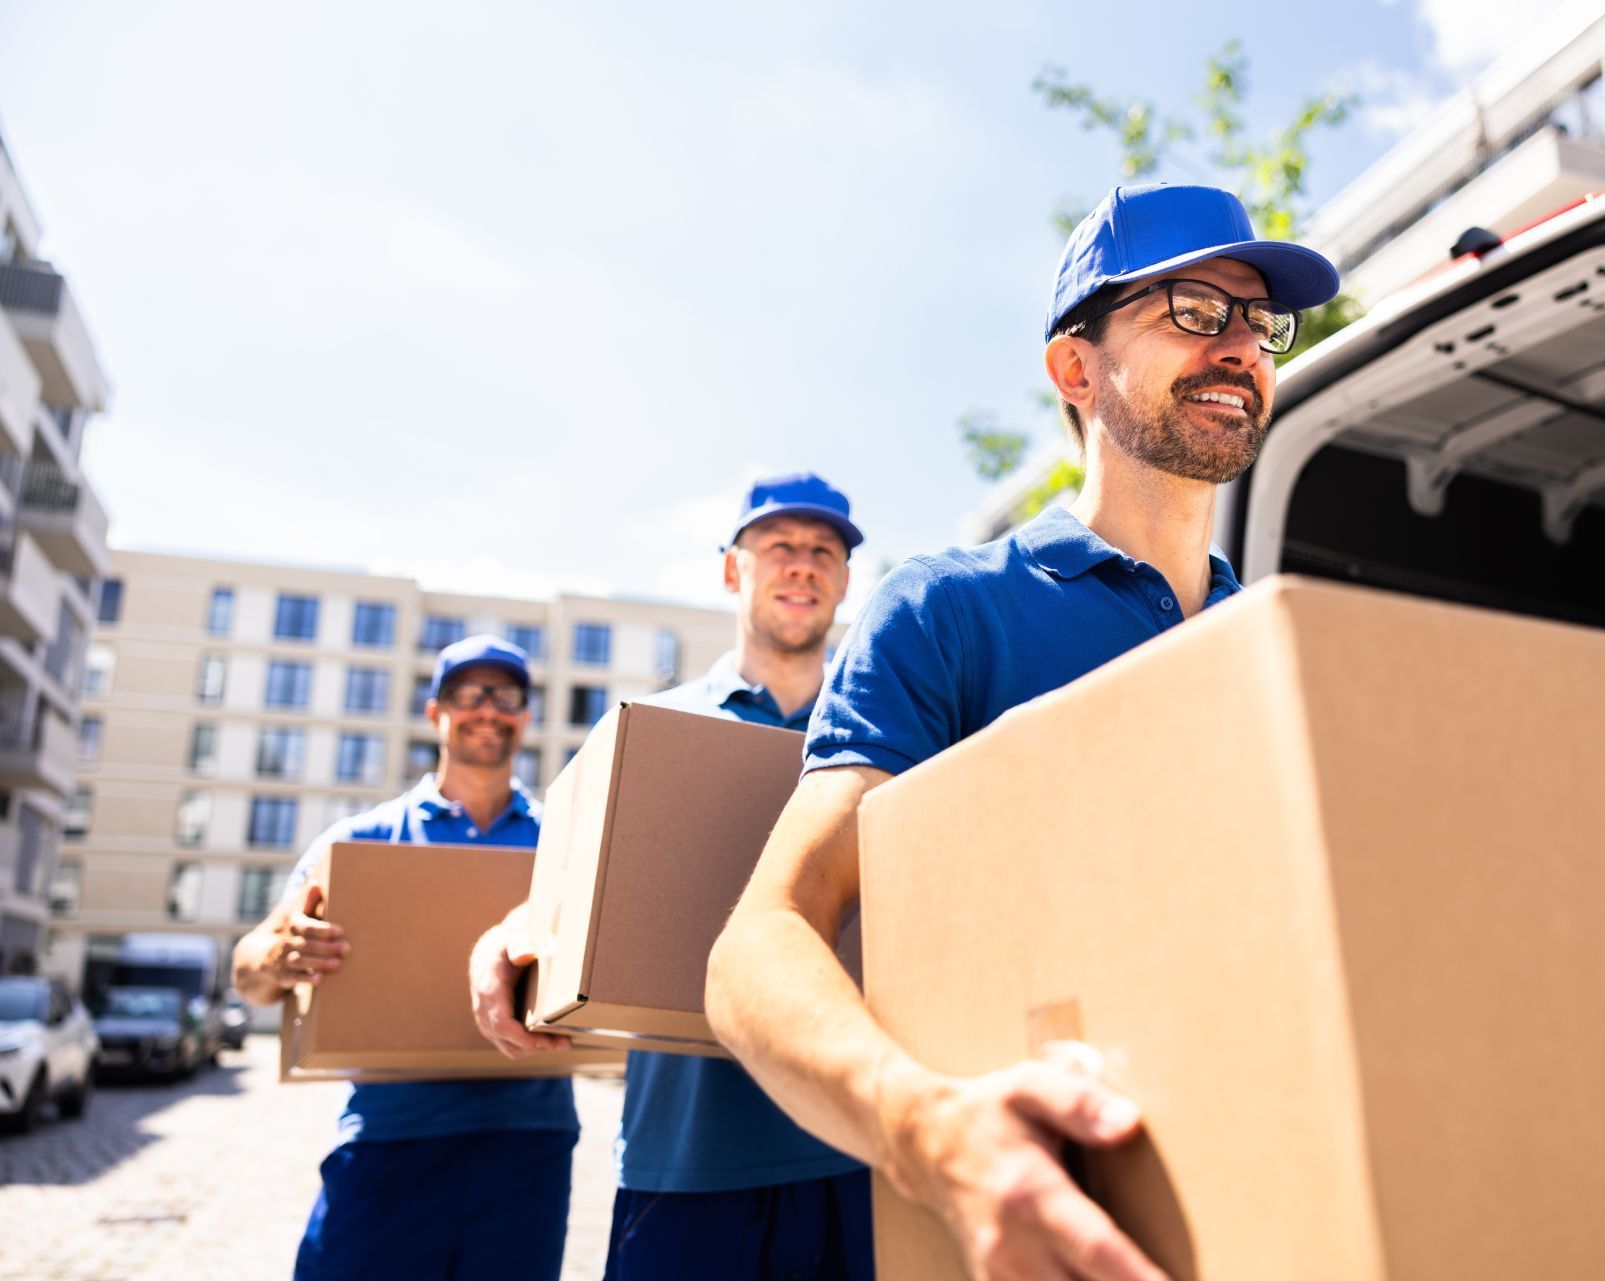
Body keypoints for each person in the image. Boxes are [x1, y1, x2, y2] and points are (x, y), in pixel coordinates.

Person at [705, 184, 1341, 1281]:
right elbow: (757, 946)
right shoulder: (951, 612)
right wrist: (926, 1131)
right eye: (1195, 308)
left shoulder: (1274, 643)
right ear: (1075, 369)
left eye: (1261, 323)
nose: (1242, 345)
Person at [469, 474, 873, 1281]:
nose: (803, 566)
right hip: (685, 1161)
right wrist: (503, 938)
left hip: (852, 1154)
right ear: (733, 570)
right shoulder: (651, 728)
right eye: (780, 547)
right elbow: (569, 894)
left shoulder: (882, 729)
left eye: (824, 551)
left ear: (845, 580)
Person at [232, 635, 576, 1281]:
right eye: (467, 693)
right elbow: (248, 971)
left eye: (504, 695)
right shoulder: (360, 841)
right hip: (388, 1140)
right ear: (435, 712)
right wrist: (280, 955)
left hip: (528, 1145)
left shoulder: (564, 842)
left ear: (525, 715)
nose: (486, 709)